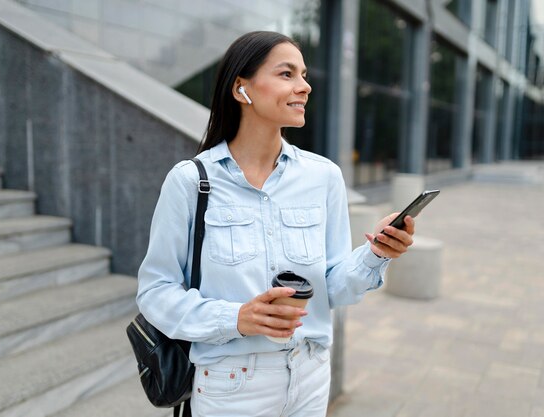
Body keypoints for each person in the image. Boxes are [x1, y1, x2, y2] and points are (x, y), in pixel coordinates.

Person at [136, 31, 415, 417]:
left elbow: (330, 287)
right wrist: (237, 318)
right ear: (241, 89)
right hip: (231, 383)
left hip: (311, 373)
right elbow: (155, 292)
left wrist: (375, 254)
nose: (305, 86)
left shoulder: (323, 177)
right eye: (287, 74)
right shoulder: (191, 181)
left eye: (303, 75)